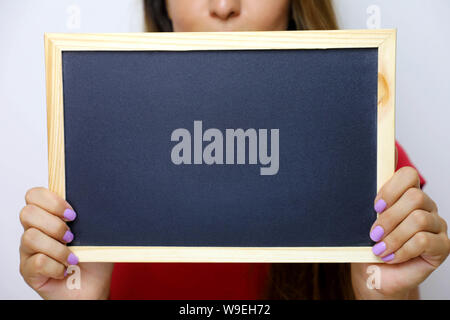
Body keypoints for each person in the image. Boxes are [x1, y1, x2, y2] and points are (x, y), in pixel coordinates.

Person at [19, 0, 449, 300]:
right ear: (161, 5)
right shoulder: (97, 173)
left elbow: (388, 283)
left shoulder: (374, 165)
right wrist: (79, 296)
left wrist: (388, 295)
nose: (224, 5)